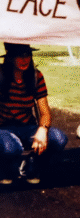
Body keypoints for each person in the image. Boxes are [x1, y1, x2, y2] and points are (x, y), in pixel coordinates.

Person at [0, 43, 68, 185]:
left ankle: (33, 166)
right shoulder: (1, 74)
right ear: (11, 57)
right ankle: (6, 168)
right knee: (12, 148)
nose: (24, 60)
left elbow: (45, 112)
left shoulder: (36, 76)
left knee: (59, 138)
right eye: (19, 55)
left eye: (27, 55)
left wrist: (42, 129)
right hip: (3, 128)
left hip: (27, 127)